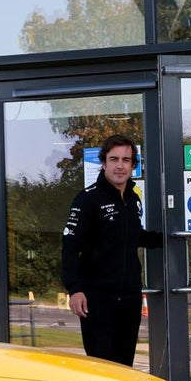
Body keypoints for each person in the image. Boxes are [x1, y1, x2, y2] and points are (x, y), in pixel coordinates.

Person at [62, 135, 163, 366]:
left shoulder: (133, 198)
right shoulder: (87, 199)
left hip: (129, 297)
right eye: (114, 159)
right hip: (97, 300)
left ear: (133, 166)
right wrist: (74, 289)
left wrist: (168, 239)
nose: (120, 165)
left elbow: (132, 236)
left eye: (126, 160)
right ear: (104, 163)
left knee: (125, 366)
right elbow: (69, 246)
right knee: (101, 369)